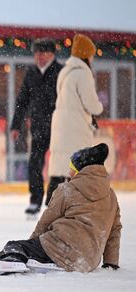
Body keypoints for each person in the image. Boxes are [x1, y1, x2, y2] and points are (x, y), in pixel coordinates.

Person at [0, 143, 121, 275]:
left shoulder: (68, 190)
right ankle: (49, 262)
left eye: (72, 167)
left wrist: (31, 244)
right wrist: (111, 263)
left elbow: (46, 220)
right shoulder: (111, 195)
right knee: (38, 248)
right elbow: (114, 231)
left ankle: (12, 260)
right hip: (88, 261)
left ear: (80, 170)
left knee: (15, 246)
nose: (69, 171)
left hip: (61, 248)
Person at [47, 34, 104, 206]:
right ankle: (75, 207)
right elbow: (92, 105)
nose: (93, 59)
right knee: (78, 168)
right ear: (86, 55)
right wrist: (100, 107)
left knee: (60, 168)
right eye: (92, 55)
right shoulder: (83, 74)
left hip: (61, 125)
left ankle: (52, 204)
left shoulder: (65, 71)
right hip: (76, 127)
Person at [10, 39, 63, 219]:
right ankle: (35, 200)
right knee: (34, 164)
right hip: (39, 127)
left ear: (52, 54)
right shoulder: (31, 73)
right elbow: (22, 101)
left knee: (58, 167)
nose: (39, 57)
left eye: (43, 53)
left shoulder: (61, 72)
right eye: (36, 53)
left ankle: (54, 203)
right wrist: (15, 124)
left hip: (58, 128)